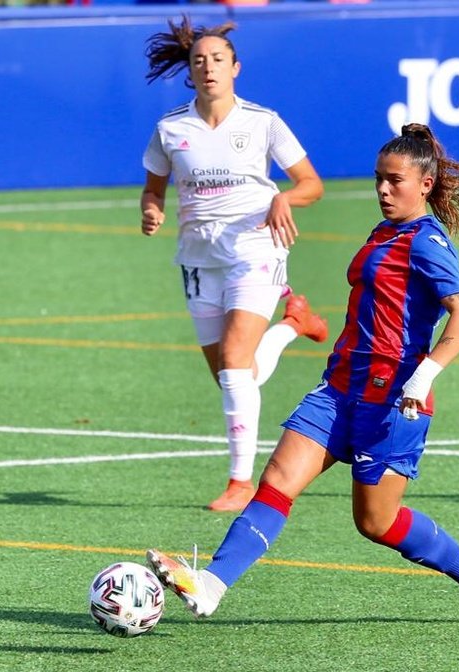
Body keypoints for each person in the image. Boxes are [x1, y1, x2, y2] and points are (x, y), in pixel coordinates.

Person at [146, 124, 459, 623]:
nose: (383, 190)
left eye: (394, 181)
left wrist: (423, 378)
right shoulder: (383, 231)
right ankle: (210, 584)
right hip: (339, 389)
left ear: (425, 184)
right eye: (378, 179)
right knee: (275, 483)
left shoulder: (427, 242)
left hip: (392, 401)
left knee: (376, 523)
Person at [141, 17, 328, 512]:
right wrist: (152, 208)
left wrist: (286, 199)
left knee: (233, 367)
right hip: (199, 259)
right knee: (232, 373)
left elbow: (312, 183)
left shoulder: (263, 121)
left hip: (256, 249)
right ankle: (294, 325)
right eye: (199, 60)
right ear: (190, 69)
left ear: (235, 68)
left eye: (218, 59)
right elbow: (153, 187)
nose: (208, 68)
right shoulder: (170, 128)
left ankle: (241, 483)